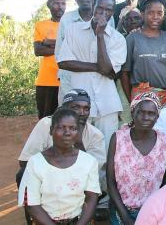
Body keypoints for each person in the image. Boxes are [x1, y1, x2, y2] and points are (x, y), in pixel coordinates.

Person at [17, 89, 105, 225]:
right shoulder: (46, 125)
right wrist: (50, 172)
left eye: (86, 108)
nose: (81, 112)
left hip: (79, 186)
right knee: (24, 175)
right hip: (45, 183)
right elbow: (25, 160)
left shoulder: (95, 135)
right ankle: (35, 219)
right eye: (76, 107)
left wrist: (78, 140)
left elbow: (90, 172)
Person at [57, 0, 126, 147]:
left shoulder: (118, 39)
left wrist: (100, 36)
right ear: (93, 6)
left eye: (108, 10)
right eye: (99, 8)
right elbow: (64, 62)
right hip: (79, 104)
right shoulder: (73, 30)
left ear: (112, 12)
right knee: (77, 147)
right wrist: (97, 67)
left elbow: (110, 71)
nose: (103, 13)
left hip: (107, 105)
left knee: (106, 148)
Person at [107, 92, 166, 224]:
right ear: (132, 113)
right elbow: (110, 181)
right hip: (121, 209)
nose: (146, 117)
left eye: (151, 113)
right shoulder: (118, 138)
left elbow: (163, 181)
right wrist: (125, 216)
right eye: (141, 112)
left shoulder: (163, 141)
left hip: (153, 211)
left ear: (157, 116)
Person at [55, 0, 115, 103]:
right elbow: (60, 55)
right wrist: (98, 67)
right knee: (70, 113)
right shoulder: (67, 19)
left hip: (100, 79)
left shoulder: (109, 18)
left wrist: (103, 69)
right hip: (70, 78)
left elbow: (109, 45)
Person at [121, 0, 166, 106]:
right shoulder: (132, 38)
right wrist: (131, 100)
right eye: (151, 12)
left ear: (164, 15)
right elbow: (124, 73)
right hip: (141, 98)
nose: (155, 17)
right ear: (142, 14)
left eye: (159, 13)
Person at [33, 0, 66, 119]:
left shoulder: (70, 24)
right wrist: (62, 46)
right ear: (49, 5)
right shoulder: (40, 25)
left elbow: (73, 48)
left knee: (65, 119)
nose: (60, 6)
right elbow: (38, 51)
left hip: (66, 80)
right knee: (45, 120)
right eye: (56, 3)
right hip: (46, 81)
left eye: (63, 3)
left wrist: (49, 42)